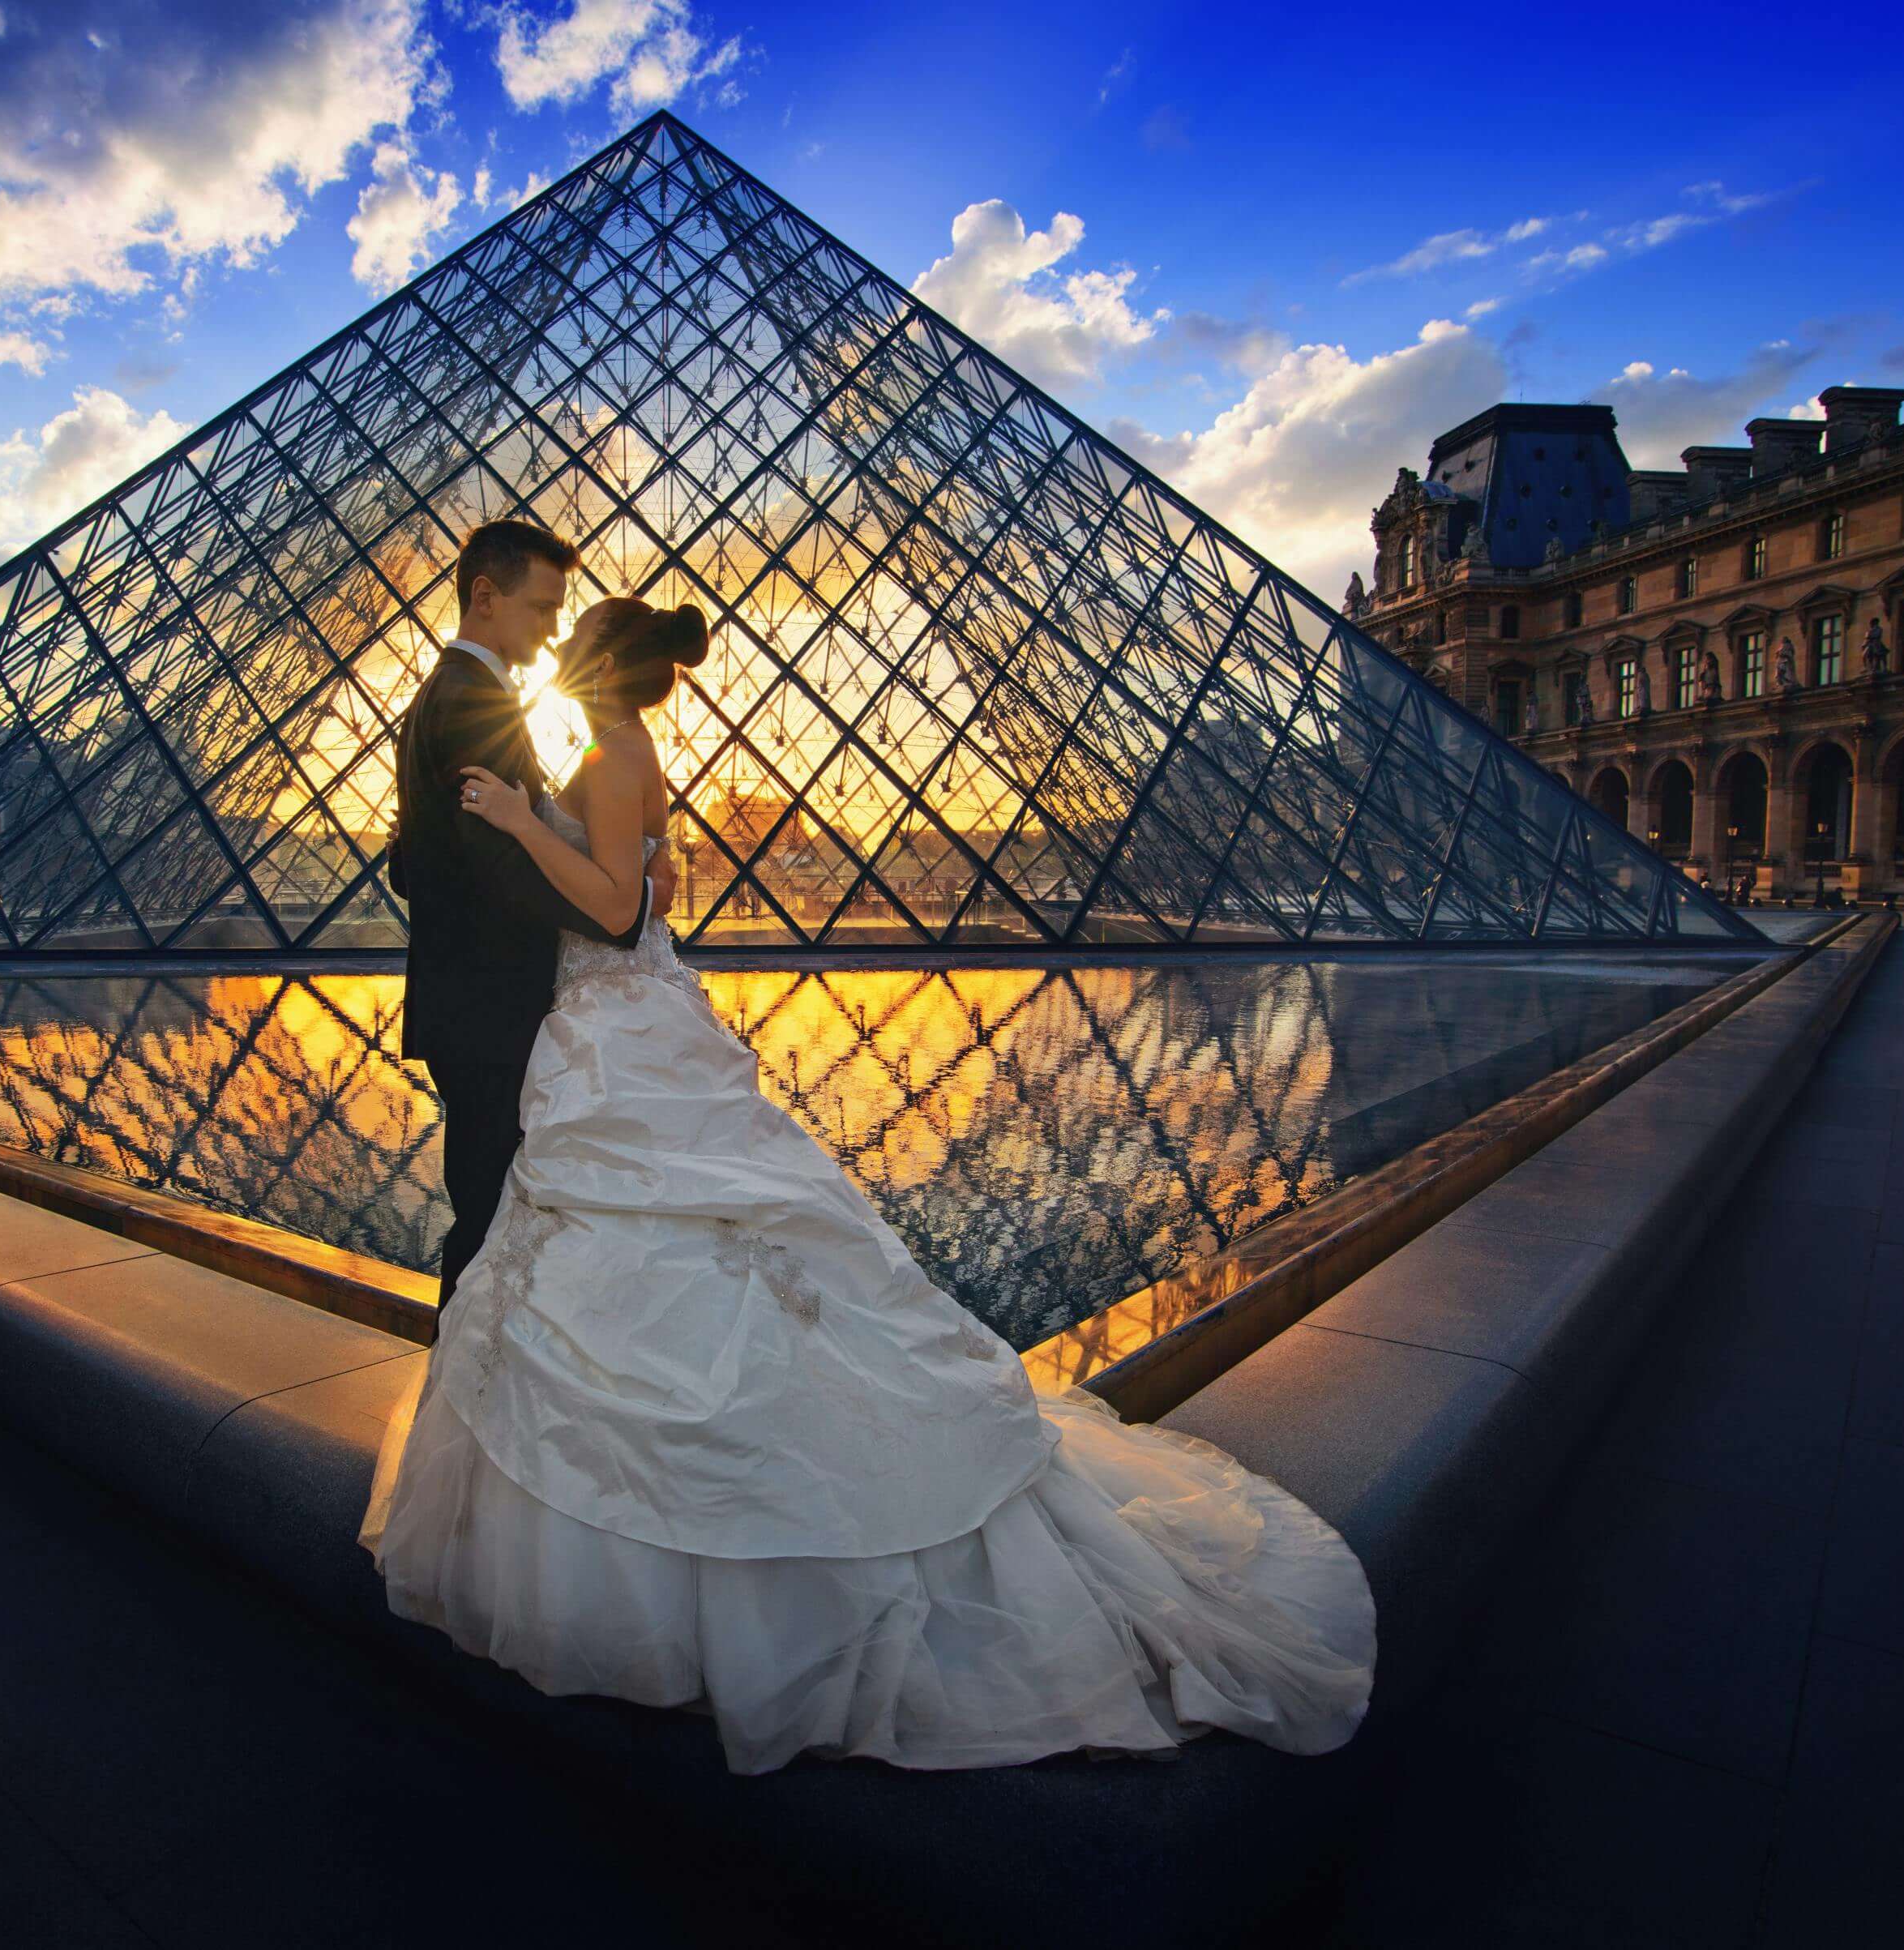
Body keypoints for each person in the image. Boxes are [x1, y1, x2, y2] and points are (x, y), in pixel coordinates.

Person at [363, 594, 1377, 1775]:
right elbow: (661, 889)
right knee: (677, 1261)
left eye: (566, 643)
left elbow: (618, 903)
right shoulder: (628, 751)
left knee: (631, 1269)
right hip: (627, 1035)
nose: (550, 656)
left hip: (616, 1041)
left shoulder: (606, 754)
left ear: (593, 664)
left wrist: (513, 819)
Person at [391, 522, 673, 1302]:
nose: (553, 633)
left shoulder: (441, 695)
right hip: (492, 1009)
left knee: (492, 1210)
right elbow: (505, 870)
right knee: (488, 1218)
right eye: (544, 609)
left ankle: (471, 1388)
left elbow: (412, 863)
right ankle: (463, 1392)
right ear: (486, 597)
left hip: (471, 1002)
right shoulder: (476, 699)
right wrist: (633, 901)